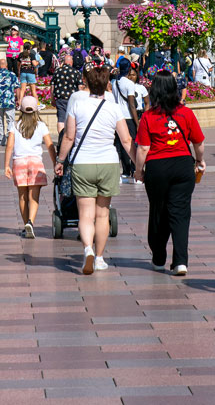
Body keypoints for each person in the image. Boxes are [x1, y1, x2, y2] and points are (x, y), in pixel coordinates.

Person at [55, 64, 133, 274]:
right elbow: (126, 140)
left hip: (83, 163)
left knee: (85, 215)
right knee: (102, 214)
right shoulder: (114, 107)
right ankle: (99, 258)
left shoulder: (77, 105)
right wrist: (138, 165)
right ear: (107, 84)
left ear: (86, 83)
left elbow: (69, 137)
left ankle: (88, 249)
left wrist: (60, 160)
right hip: (108, 163)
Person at [136, 72, 205, 276]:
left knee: (158, 211)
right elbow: (198, 142)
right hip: (183, 165)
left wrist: (139, 171)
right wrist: (199, 160)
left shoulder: (148, 116)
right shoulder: (186, 113)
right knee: (180, 214)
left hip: (157, 168)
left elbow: (143, 148)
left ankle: (159, 258)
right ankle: (180, 262)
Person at [3, 95, 56, 238]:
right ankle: (30, 222)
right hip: (35, 163)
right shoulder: (41, 125)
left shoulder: (14, 125)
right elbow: (50, 146)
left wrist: (6, 165)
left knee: (22, 197)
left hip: (19, 162)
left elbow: (9, 146)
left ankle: (25, 223)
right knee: (34, 197)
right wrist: (55, 163)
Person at [112, 65, 146, 182]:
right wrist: (137, 123)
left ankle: (125, 172)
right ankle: (135, 170)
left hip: (118, 117)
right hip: (129, 117)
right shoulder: (129, 84)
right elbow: (131, 105)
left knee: (121, 144)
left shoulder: (115, 83)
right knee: (133, 143)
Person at [0, 58, 20, 146]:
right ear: (6, 65)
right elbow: (17, 88)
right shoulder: (12, 74)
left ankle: (1, 140)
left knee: (0, 121)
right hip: (9, 101)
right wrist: (18, 99)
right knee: (10, 121)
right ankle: (10, 138)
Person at [51, 52, 81, 125]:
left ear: (64, 62)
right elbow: (80, 87)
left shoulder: (57, 71)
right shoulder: (76, 72)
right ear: (71, 62)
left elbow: (52, 86)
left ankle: (61, 132)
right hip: (73, 99)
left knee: (61, 119)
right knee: (72, 119)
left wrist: (52, 99)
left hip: (60, 98)